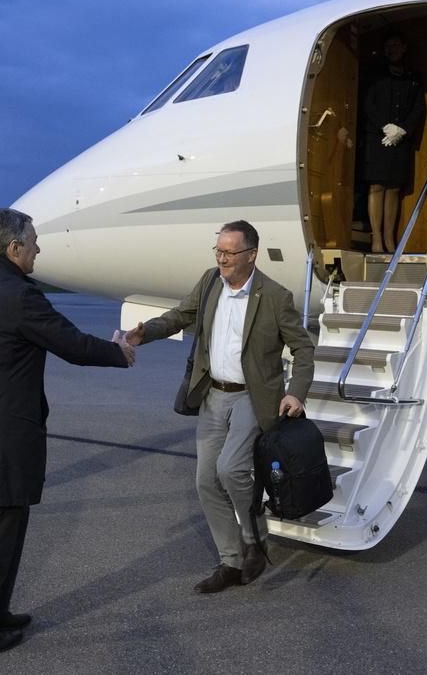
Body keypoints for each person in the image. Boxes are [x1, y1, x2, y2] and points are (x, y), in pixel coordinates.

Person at [0, 208, 135, 661]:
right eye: (32, 241)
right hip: (4, 433)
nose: (37, 248)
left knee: (9, 526)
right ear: (13, 248)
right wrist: (119, 352)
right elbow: (69, 342)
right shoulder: (17, 295)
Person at [125, 220, 314, 593]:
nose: (222, 259)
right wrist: (145, 331)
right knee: (205, 480)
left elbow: (303, 348)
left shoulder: (275, 296)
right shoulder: (211, 282)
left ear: (251, 255)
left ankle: (254, 535)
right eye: (218, 251)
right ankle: (230, 561)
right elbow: (181, 316)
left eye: (229, 253)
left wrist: (297, 392)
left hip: (251, 396)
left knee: (231, 469)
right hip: (213, 393)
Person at [361, 31, 426, 253]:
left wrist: (402, 130)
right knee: (377, 186)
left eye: (396, 45)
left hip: (400, 139)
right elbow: (368, 104)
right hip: (378, 138)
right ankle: (376, 239)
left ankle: (390, 238)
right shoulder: (374, 74)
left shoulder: (414, 77)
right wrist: (384, 126)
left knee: (394, 188)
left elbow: (419, 108)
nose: (392, 49)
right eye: (388, 45)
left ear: (404, 48)